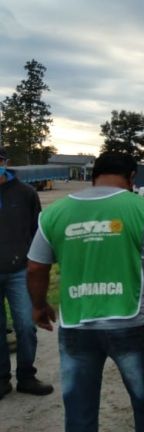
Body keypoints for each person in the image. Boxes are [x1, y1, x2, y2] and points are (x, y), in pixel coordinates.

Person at [27, 152, 144, 432]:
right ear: (132, 178)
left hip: (76, 327)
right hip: (132, 324)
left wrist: (38, 304)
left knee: (80, 412)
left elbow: (35, 266)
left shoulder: (54, 213)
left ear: (93, 174)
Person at [0, 145, 53, 400]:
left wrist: (37, 267)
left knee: (25, 325)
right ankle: (1, 379)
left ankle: (26, 376)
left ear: (4, 161)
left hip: (19, 271)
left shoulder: (26, 193)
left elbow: (37, 232)